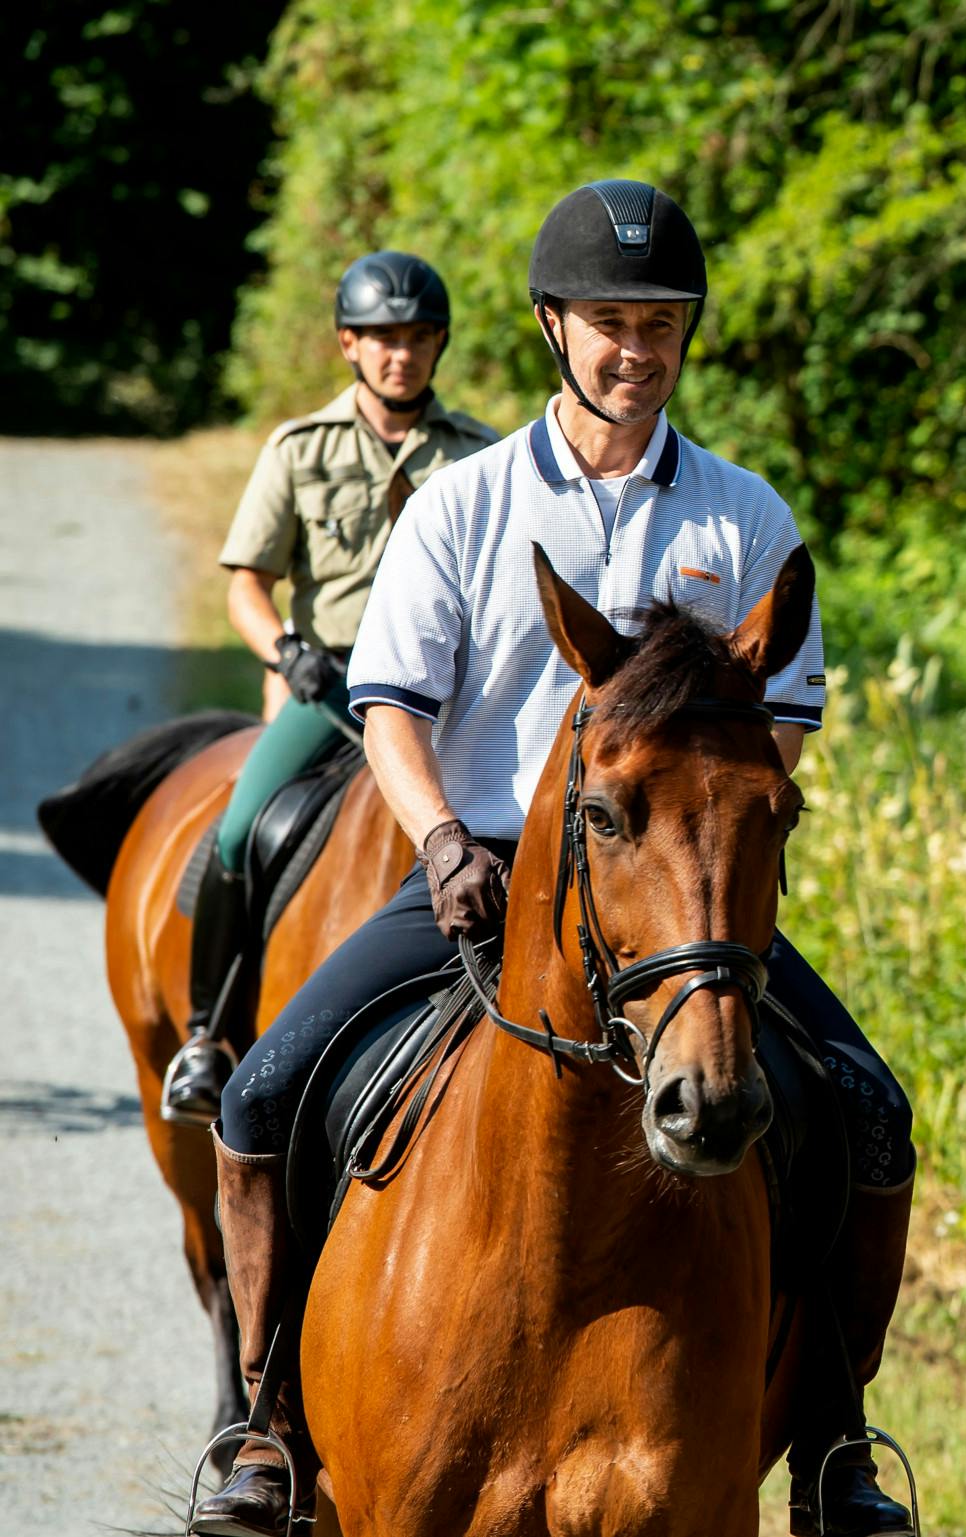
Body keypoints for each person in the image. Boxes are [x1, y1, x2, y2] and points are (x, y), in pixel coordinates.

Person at [188, 183, 916, 1537]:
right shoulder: (463, 505)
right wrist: (438, 835)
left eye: (661, 324)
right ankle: (270, 1431)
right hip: (478, 877)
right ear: (551, 328)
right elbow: (392, 706)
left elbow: (780, 737)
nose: (636, 348)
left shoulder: (745, 518)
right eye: (609, 323)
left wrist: (690, 855)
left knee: (868, 1116)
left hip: (670, 899)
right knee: (261, 1100)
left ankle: (832, 1445)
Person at [161, 253, 498, 1128]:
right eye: (385, 339)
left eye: (420, 338)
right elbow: (246, 581)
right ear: (349, 343)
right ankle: (205, 1034)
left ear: (439, 346)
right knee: (240, 826)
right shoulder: (298, 448)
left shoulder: (479, 456)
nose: (402, 356)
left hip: (441, 687)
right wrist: (285, 650)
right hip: (329, 682)